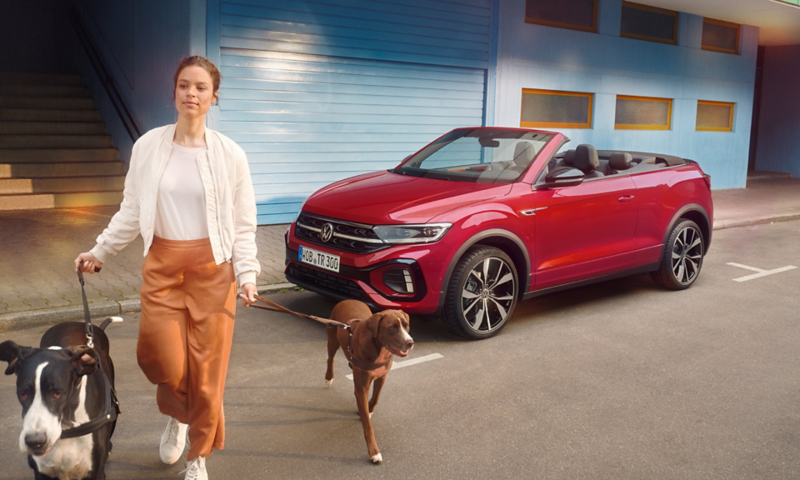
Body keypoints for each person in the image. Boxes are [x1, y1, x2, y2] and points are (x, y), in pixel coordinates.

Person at [75, 55, 259, 480]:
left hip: (215, 271)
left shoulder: (231, 155)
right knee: (162, 360)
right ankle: (178, 413)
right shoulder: (148, 146)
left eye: (200, 87)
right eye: (183, 85)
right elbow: (133, 209)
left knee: (208, 373)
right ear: (173, 92)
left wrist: (247, 275)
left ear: (214, 97)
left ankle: (198, 456)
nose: (191, 93)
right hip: (162, 266)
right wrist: (99, 250)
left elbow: (243, 223)